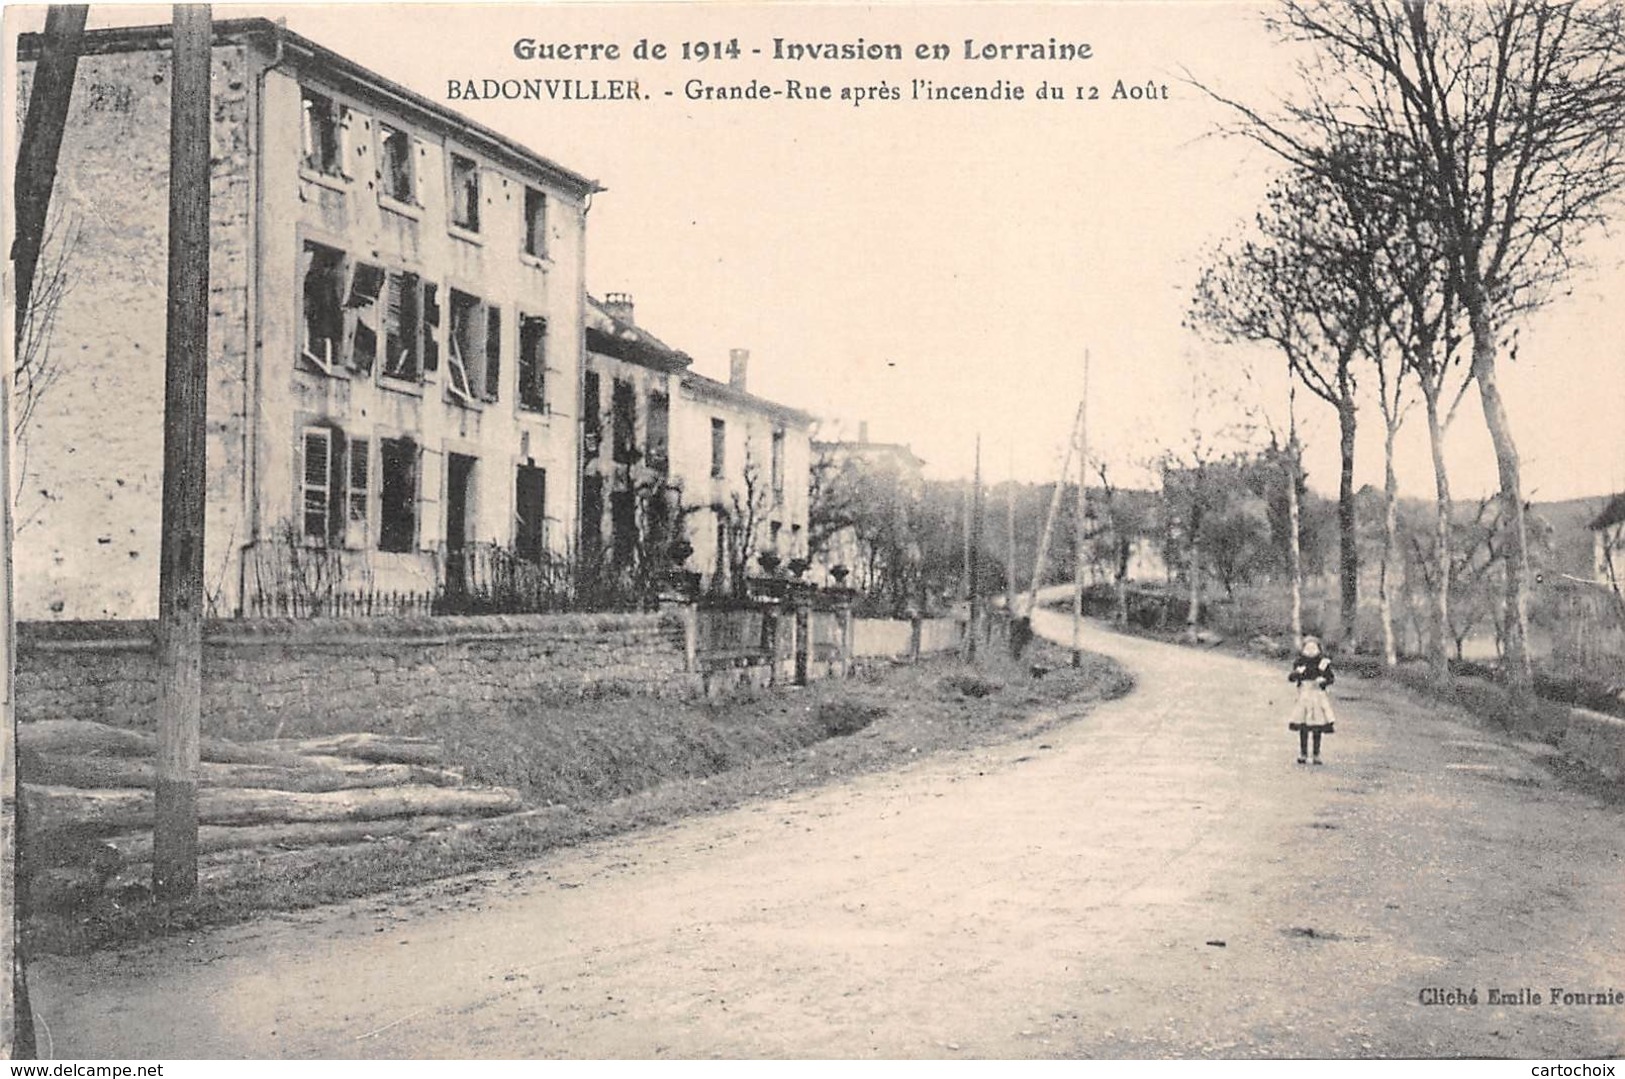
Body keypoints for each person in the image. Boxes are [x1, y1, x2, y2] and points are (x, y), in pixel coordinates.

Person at [1287, 636, 1336, 765]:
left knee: (1317, 726)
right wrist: (1297, 673)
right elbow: (1291, 678)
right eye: (1307, 648)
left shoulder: (1323, 663)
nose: (1310, 651)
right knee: (1303, 725)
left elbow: (1331, 678)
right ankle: (1303, 753)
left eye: (1313, 648)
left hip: (1317, 696)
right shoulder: (1300, 662)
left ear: (1319, 649)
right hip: (1304, 695)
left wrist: (1323, 681)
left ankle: (1316, 754)